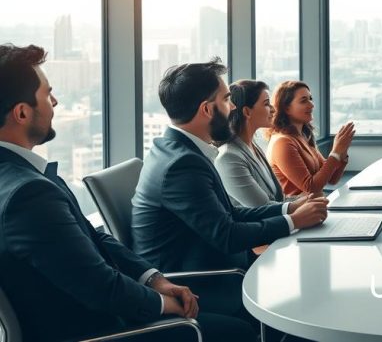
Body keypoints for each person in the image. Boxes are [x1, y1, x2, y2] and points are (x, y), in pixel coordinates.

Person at [0, 44, 236, 341]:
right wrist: (164, 303)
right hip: (103, 331)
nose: (55, 101)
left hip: (103, 315)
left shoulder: (21, 178)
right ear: (22, 112)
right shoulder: (29, 194)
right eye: (47, 94)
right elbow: (101, 287)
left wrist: (153, 278)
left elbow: (94, 236)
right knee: (238, 329)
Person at [132, 60, 329, 275]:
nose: (233, 106)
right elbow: (227, 236)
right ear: (206, 109)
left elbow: (229, 213)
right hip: (203, 283)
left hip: (220, 265)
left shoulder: (181, 151)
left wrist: (290, 208)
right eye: (227, 99)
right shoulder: (182, 166)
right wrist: (293, 221)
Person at [268, 80, 354, 198]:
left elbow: (332, 179)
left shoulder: (302, 137)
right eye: (304, 101)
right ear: (286, 108)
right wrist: (335, 152)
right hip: (297, 212)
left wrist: (342, 152)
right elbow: (311, 187)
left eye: (310, 99)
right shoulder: (282, 143)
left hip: (313, 206)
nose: (312, 105)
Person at [215, 79, 288, 206]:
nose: (273, 110)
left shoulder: (254, 147)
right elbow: (262, 207)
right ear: (247, 112)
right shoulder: (228, 157)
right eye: (266, 104)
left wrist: (307, 200)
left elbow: (277, 198)